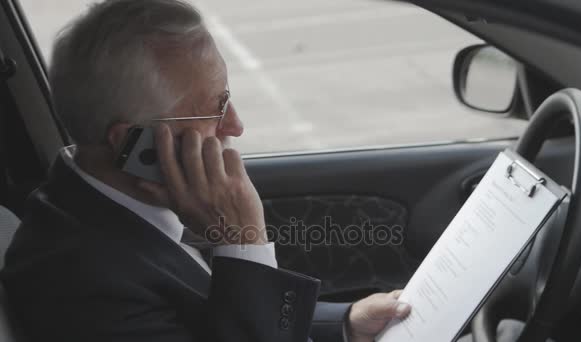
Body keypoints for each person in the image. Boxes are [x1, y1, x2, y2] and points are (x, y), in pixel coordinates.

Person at [0, 0, 411, 341]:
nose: (234, 125)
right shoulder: (78, 283)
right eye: (215, 107)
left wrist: (343, 324)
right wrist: (244, 242)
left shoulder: (100, 205)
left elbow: (204, 317)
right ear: (134, 142)